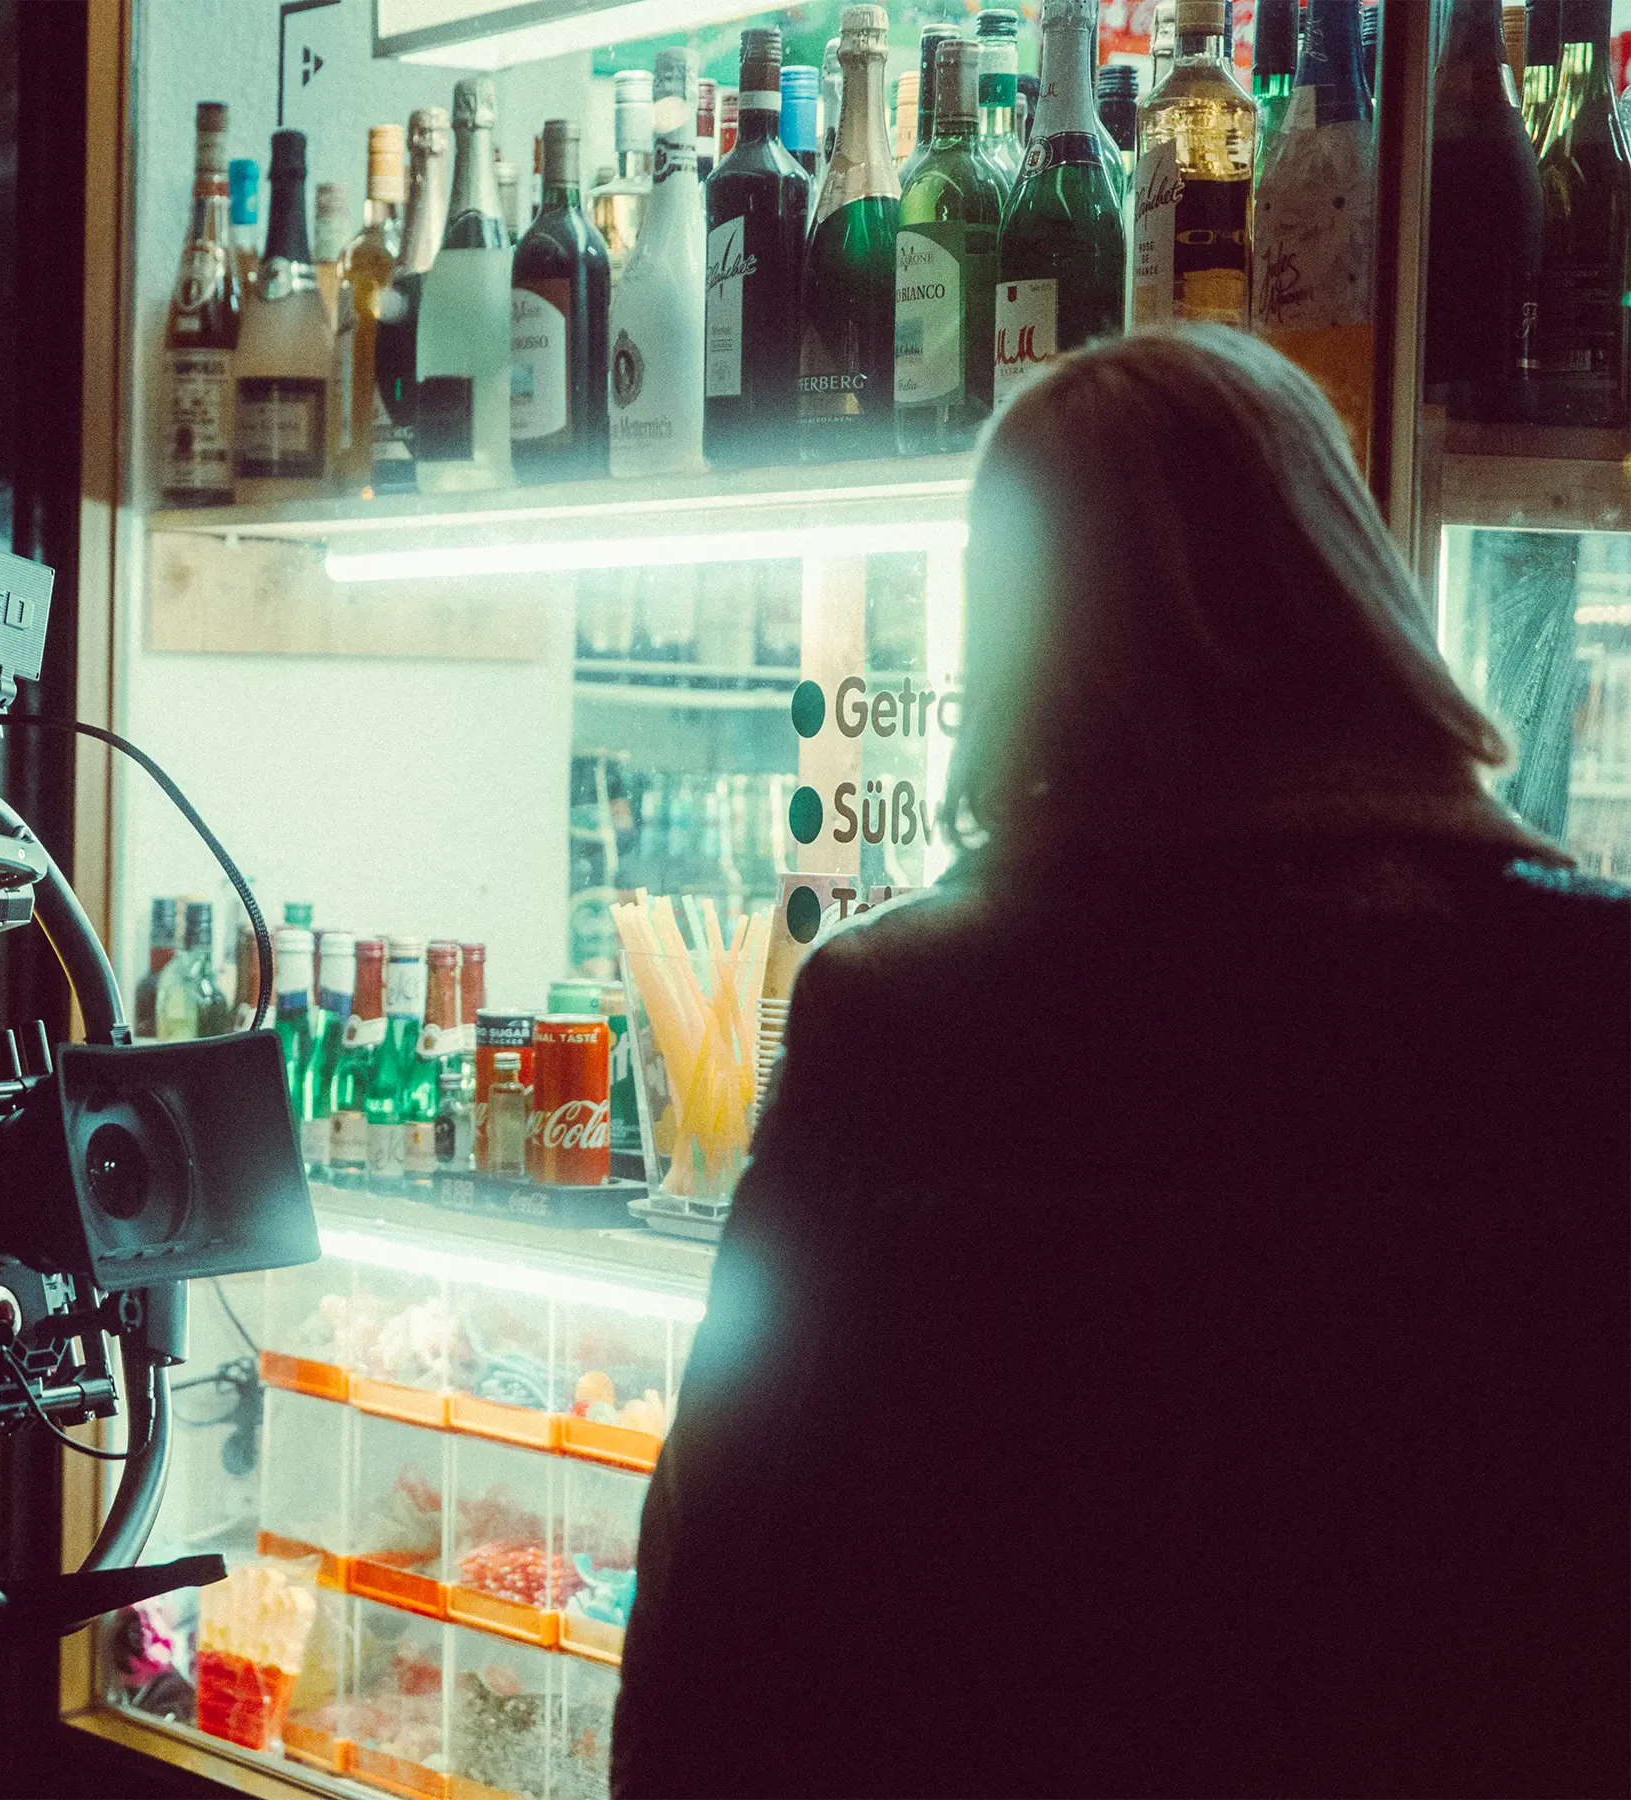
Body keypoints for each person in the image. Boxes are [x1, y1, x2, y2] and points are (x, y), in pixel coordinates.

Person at [614, 329, 1631, 1795]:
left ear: (1021, 641)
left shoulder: (907, 1013)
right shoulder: (1586, 988)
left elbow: (731, 1569)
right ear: (1356, 588)